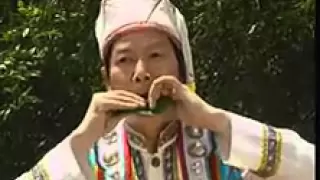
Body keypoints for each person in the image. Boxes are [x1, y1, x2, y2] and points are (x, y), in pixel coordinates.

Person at [16, 0, 314, 179]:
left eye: (156, 55)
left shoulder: (227, 149)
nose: (142, 73)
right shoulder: (87, 162)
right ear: (106, 78)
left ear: (182, 71)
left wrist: (217, 120)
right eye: (125, 59)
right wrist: (81, 139)